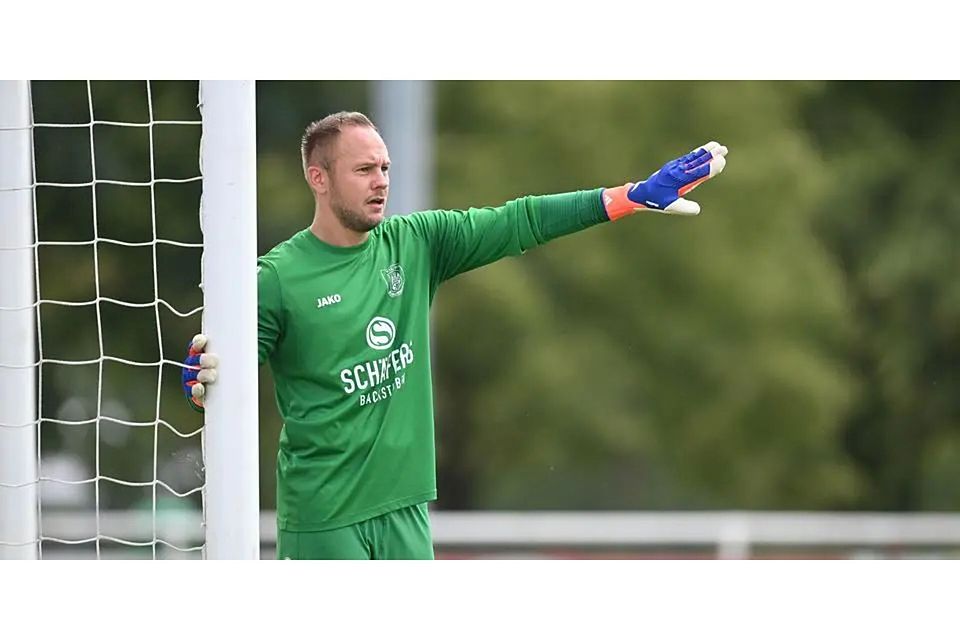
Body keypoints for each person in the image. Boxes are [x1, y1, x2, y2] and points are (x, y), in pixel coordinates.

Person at [182, 111, 728, 559]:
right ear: (318, 178)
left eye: (386, 168)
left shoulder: (417, 242)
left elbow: (520, 221)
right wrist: (200, 377)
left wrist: (629, 196)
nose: (381, 182)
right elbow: (219, 380)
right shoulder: (277, 278)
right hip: (325, 519)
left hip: (407, 508)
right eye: (364, 170)